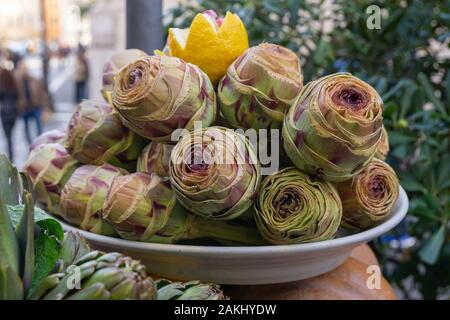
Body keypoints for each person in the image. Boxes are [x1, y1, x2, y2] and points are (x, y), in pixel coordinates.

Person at [15, 59, 51, 144]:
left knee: (39, 126)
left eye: (25, 68)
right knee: (26, 127)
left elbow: (42, 93)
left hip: (35, 106)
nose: (23, 70)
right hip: (25, 108)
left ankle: (40, 142)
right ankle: (29, 143)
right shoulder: (17, 82)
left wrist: (46, 106)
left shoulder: (35, 80)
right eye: (21, 69)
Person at [0, 57, 19, 160]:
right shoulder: (13, 85)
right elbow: (17, 97)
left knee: (8, 136)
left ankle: (10, 153)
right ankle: (12, 152)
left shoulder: (2, 87)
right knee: (11, 134)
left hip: (5, 113)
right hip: (13, 112)